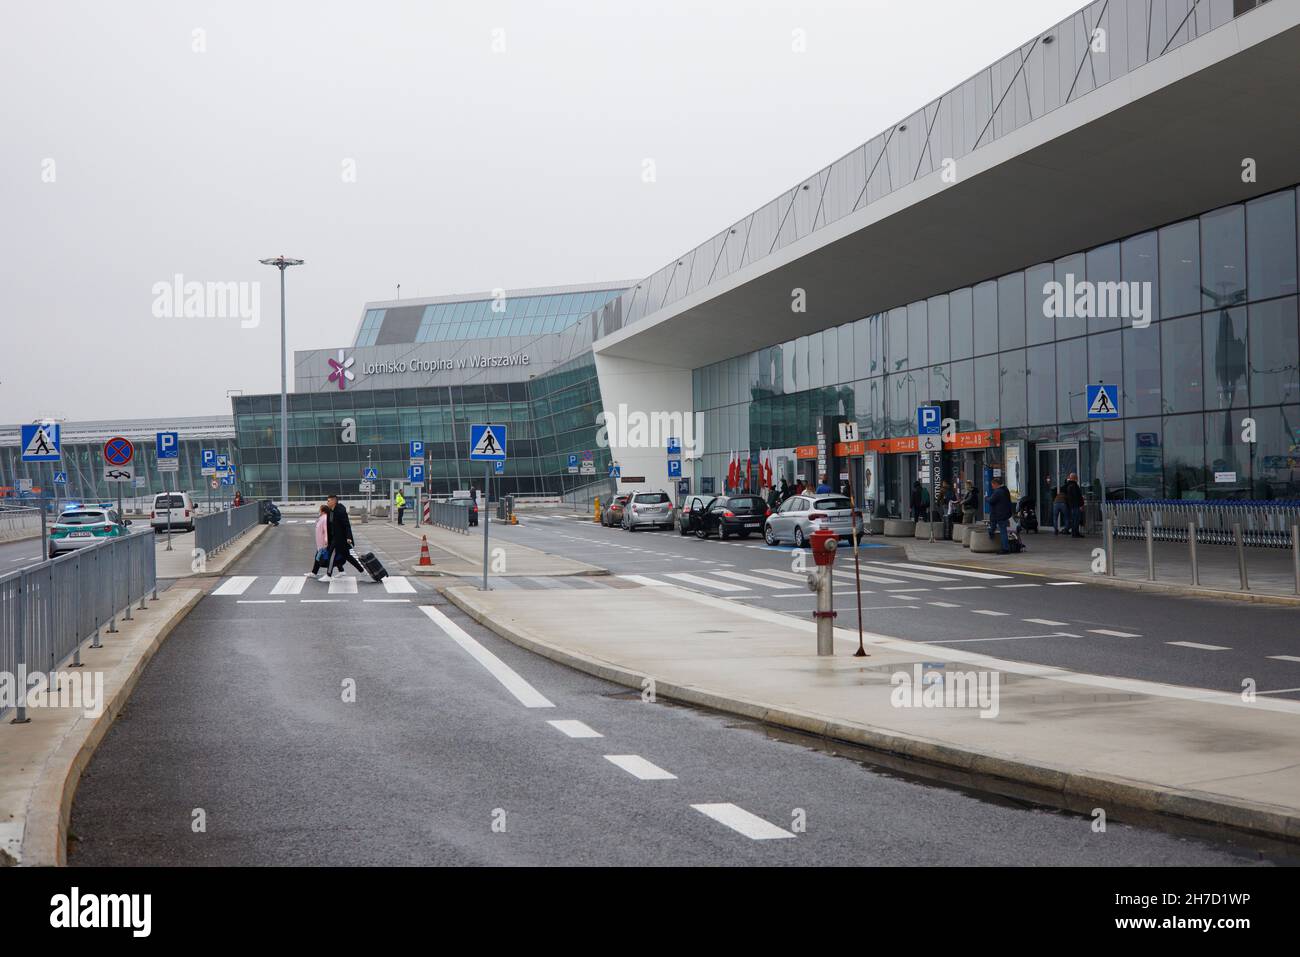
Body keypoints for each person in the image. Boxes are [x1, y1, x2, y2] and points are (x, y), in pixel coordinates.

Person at [326, 493, 368, 577]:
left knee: (331, 555)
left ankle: (328, 575)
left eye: (329, 501)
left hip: (340, 539)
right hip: (334, 538)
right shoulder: (331, 511)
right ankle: (361, 571)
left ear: (334, 501)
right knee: (347, 556)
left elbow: (346, 525)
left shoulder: (340, 511)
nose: (327, 502)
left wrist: (348, 537)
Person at [986, 477, 1013, 554]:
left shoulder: (998, 492)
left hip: (999, 514)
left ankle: (1005, 548)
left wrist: (986, 498)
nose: (992, 487)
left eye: (992, 485)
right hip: (1004, 513)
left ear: (996, 484)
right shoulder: (1005, 490)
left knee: (1002, 531)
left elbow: (991, 500)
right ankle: (1003, 546)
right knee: (998, 528)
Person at [309, 504, 332, 580]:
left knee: (320, 557)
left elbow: (326, 531)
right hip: (320, 542)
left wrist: (326, 541)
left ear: (323, 511)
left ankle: (315, 573)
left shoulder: (325, 518)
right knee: (319, 557)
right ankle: (314, 572)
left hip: (323, 543)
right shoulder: (322, 518)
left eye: (320, 509)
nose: (319, 511)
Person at [1063, 472, 1085, 538]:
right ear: (1075, 478)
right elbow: (1077, 496)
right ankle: (1075, 533)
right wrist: (1081, 505)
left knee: (1074, 519)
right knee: (1076, 519)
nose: (1077, 478)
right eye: (1076, 477)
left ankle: (1074, 533)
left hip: (1072, 506)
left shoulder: (1068, 486)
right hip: (1076, 505)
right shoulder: (1074, 486)